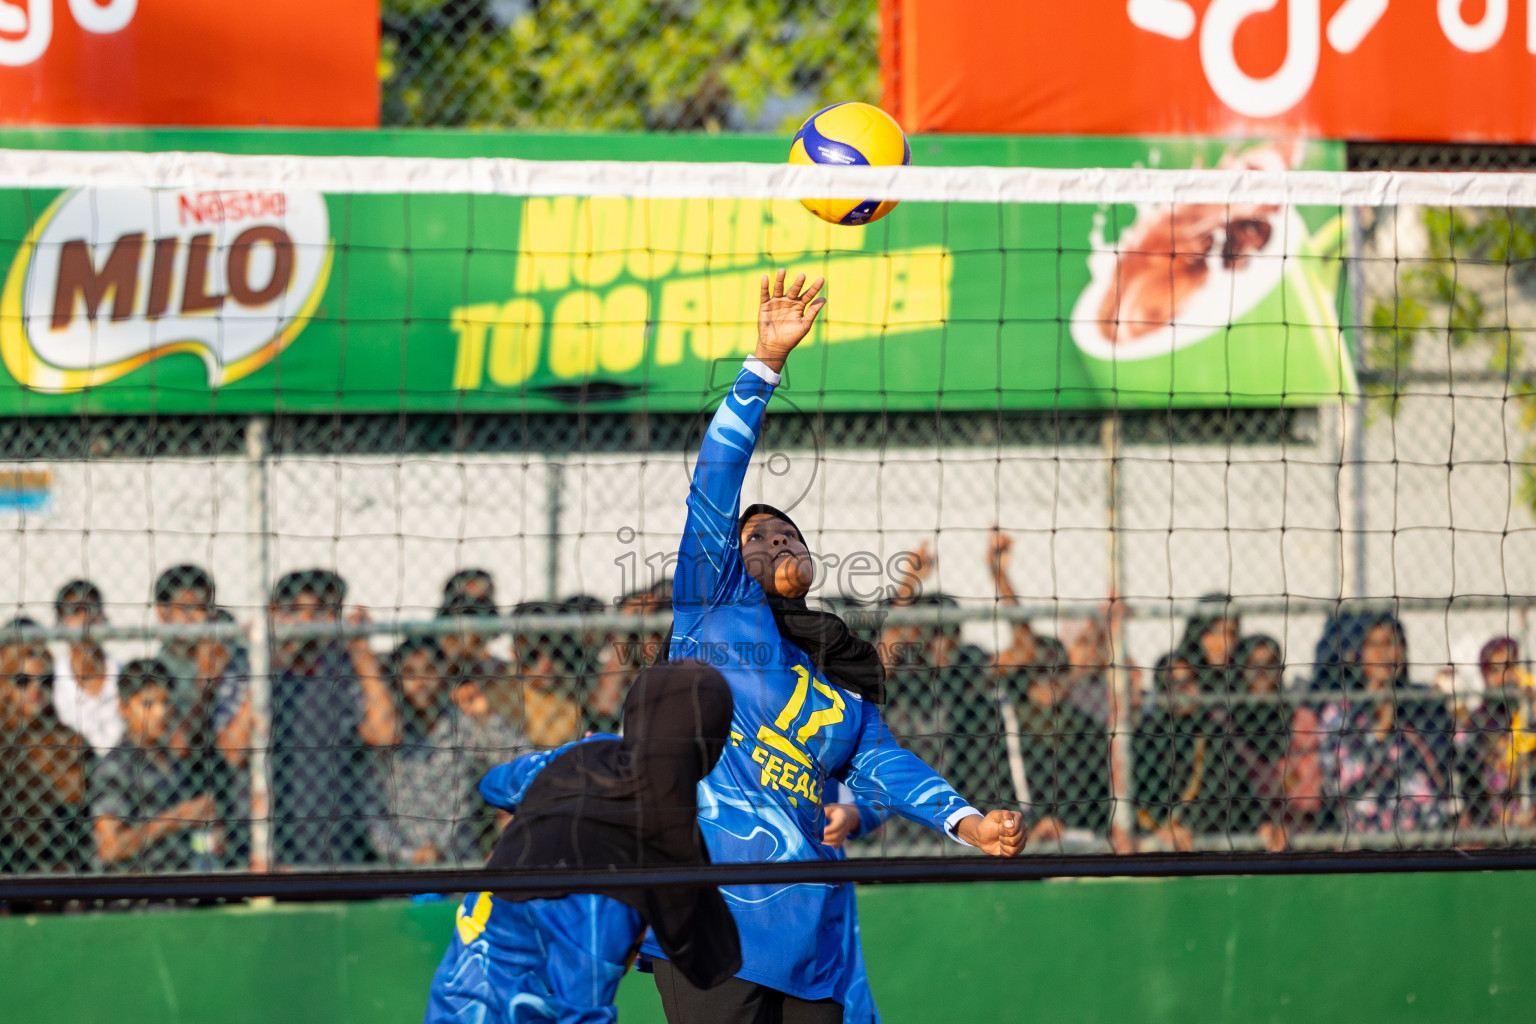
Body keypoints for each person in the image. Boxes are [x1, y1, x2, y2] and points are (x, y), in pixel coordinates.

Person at [645, 269, 1023, 1023]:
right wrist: (764, 366)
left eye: (791, 531)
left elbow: (887, 766)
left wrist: (969, 821)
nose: (780, 536)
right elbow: (716, 479)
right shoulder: (713, 608)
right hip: (710, 926)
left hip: (813, 947)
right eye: (759, 535)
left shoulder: (840, 675)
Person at [423, 660, 742, 1024]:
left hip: (454, 1001)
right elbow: (584, 1011)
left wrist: (570, 771)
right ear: (712, 744)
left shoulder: (580, 756)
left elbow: (496, 785)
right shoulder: (659, 853)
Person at [219, 569, 398, 867]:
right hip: (261, 847)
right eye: (314, 612)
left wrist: (362, 651)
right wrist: (268, 666)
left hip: (336, 844)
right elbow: (234, 751)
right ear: (279, 615)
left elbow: (385, 733)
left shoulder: (345, 666)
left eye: (333, 612)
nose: (327, 623)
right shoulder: (245, 664)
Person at [372, 637, 525, 866]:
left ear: (443, 674)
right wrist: (409, 855)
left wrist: (485, 716)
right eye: (410, 672)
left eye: (429, 670)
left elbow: (521, 762)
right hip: (399, 871)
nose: (421, 682)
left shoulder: (461, 725)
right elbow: (372, 812)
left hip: (460, 866)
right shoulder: (390, 734)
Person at [1317, 613, 1451, 834]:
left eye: (1392, 643)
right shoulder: (1340, 711)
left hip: (1428, 833)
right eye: (1374, 644)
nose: (1384, 654)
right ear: (1358, 654)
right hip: (1367, 835)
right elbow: (1338, 783)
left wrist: (1458, 712)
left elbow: (1454, 763)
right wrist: (1378, 734)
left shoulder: (1423, 703)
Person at [90, 658, 220, 871]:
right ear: (123, 708)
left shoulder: (172, 761)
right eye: (148, 704)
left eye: (166, 702)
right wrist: (177, 818)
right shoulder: (115, 767)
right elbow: (110, 847)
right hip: (136, 894)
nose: (161, 712)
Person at [0, 645, 92, 873]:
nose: (35, 690)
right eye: (23, 681)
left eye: (45, 681)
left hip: (61, 851)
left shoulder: (70, 741)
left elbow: (76, 811)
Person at [50, 578, 124, 755]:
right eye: (75, 611)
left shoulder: (126, 676)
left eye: (93, 609)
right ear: (61, 624)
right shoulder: (50, 684)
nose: (86, 619)